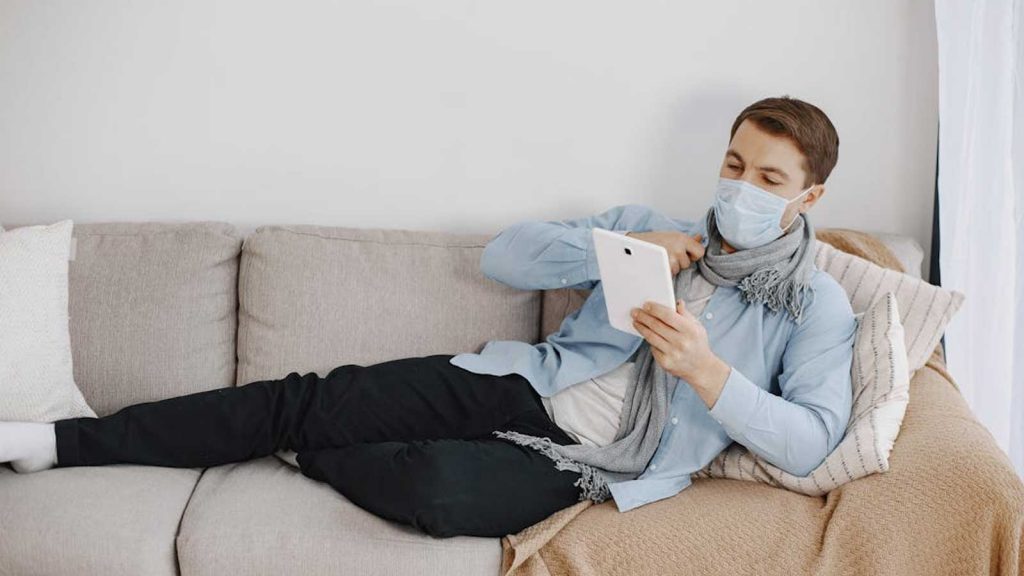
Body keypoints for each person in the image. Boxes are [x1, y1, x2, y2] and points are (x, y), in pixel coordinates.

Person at [0, 95, 856, 538]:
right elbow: (505, 258)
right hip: (521, 387)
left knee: (438, 492)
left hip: (599, 462)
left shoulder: (815, 302)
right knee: (300, 395)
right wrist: (613, 246)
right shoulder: (648, 229)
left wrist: (708, 373)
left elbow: (813, 439)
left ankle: (307, 454)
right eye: (733, 164)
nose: (738, 190)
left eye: (767, 180)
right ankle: (59, 442)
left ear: (809, 195)